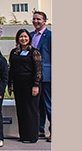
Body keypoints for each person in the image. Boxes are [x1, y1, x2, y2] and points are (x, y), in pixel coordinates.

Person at [8, 29, 42, 144]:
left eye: (25, 37)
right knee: (21, 110)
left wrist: (36, 85)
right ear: (17, 39)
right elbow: (11, 69)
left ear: (29, 39)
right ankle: (23, 135)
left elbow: (38, 70)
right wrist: (10, 84)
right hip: (18, 85)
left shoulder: (34, 52)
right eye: (21, 37)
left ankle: (32, 136)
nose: (23, 39)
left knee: (31, 110)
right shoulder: (14, 52)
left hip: (30, 85)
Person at [31, 11, 51, 142]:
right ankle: (40, 129)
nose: (36, 21)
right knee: (38, 105)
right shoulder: (30, 35)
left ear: (44, 21)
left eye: (39, 19)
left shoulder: (50, 36)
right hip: (33, 76)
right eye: (34, 19)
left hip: (46, 75)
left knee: (49, 103)